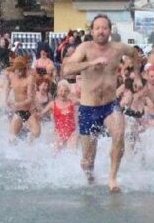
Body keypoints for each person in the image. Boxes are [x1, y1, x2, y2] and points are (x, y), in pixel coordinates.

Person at [60, 14, 140, 192]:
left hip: (110, 105)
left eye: (105, 28)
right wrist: (90, 63)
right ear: (92, 31)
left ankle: (112, 179)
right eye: (97, 28)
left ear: (110, 31)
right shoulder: (85, 48)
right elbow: (67, 69)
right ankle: (90, 177)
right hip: (88, 108)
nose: (101, 31)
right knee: (87, 161)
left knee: (119, 133)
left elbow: (135, 53)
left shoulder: (118, 48)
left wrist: (138, 76)